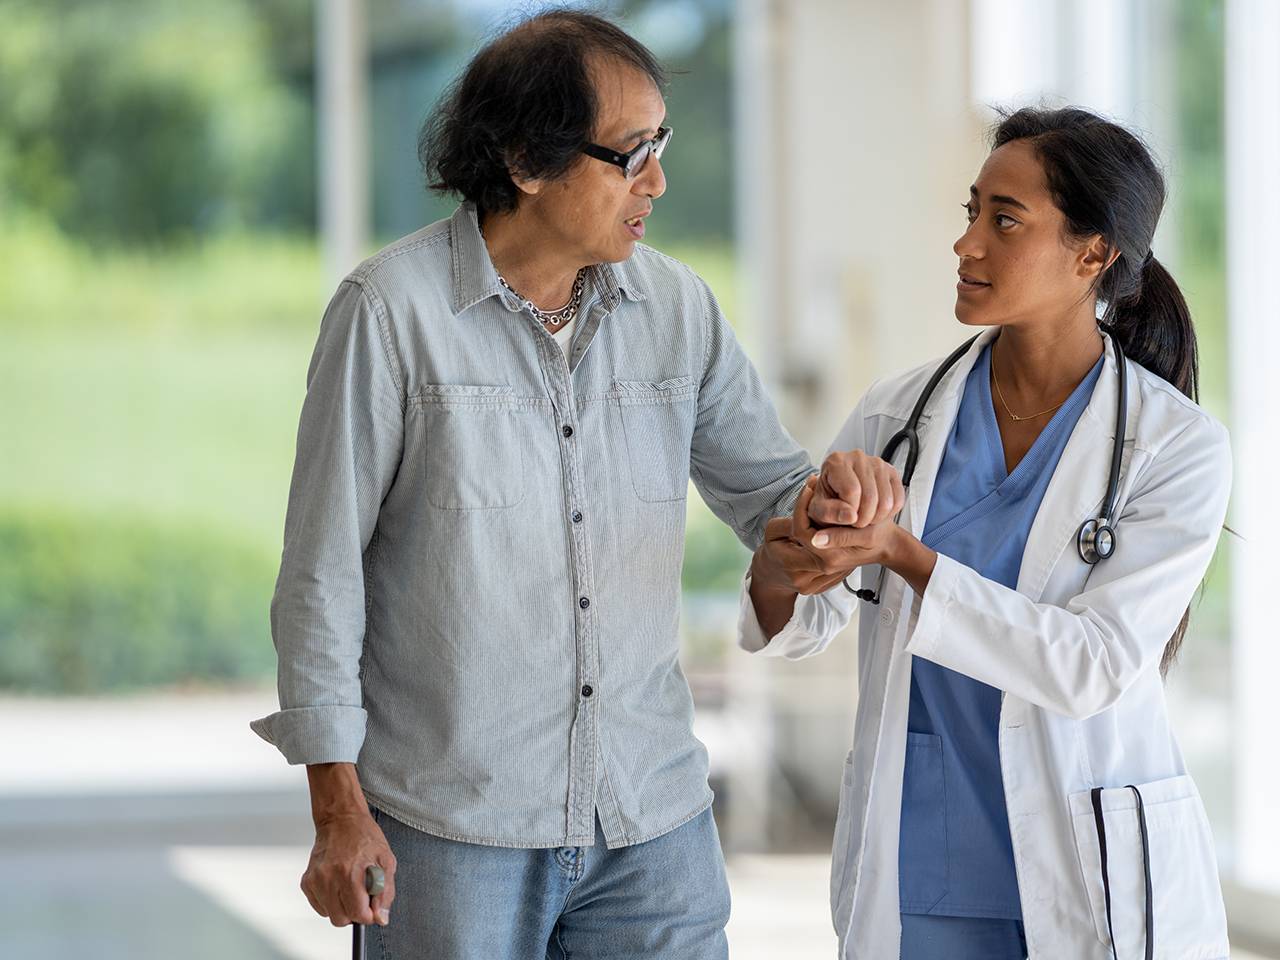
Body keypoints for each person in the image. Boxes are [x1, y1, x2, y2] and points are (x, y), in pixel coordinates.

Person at [250, 10, 892, 959]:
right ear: (524, 159)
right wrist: (336, 807)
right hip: (452, 832)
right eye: (630, 155)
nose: (658, 182)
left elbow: (774, 500)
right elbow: (321, 573)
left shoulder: (678, 308)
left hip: (652, 824)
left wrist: (833, 505)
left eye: (660, 146)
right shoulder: (390, 316)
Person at [741, 107, 1232, 960]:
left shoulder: (1174, 446)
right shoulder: (900, 413)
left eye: (1004, 221)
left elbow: (1090, 666)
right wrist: (795, 555)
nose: (967, 245)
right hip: (921, 860)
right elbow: (805, 615)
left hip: (1087, 869)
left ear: (1093, 254)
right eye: (972, 213)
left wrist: (903, 554)